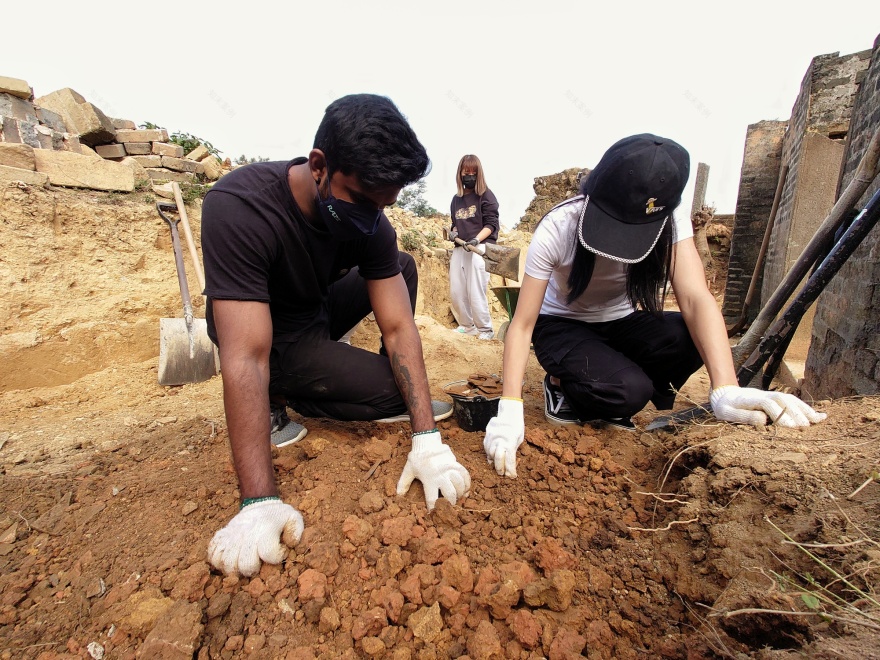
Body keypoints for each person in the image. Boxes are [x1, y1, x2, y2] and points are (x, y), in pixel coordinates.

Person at [201, 94, 471, 576]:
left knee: (400, 273)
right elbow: (246, 357)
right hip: (273, 338)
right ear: (320, 166)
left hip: (315, 312)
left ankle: (328, 369)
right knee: (392, 389)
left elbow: (397, 325)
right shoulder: (241, 207)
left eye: (385, 205)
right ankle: (279, 400)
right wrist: (258, 500)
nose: (373, 217)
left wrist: (426, 438)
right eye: (363, 200)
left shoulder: (369, 222)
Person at [482, 133, 827, 478]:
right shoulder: (559, 227)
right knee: (627, 392)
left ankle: (619, 378)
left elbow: (695, 299)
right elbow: (523, 323)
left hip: (621, 320)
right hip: (562, 325)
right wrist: (509, 409)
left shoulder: (669, 222)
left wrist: (726, 388)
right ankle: (563, 386)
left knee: (688, 336)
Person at [448, 155, 500, 340]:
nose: (469, 176)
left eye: (473, 173)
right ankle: (467, 326)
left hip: (480, 248)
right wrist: (453, 232)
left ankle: (485, 329)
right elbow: (455, 223)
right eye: (466, 172)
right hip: (460, 247)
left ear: (478, 174)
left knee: (475, 288)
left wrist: (476, 240)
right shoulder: (456, 199)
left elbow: (492, 224)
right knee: (457, 289)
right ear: (460, 173)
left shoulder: (486, 195)